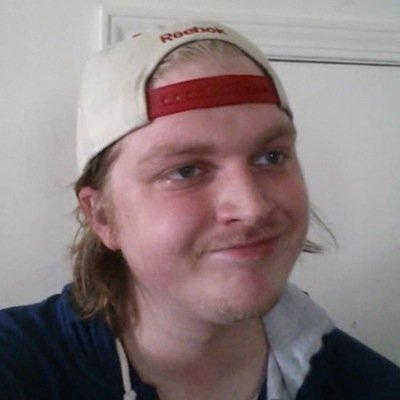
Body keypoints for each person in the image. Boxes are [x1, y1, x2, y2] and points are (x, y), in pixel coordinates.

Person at [0, 20, 399, 400]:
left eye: (271, 156)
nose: (252, 208)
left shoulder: (371, 386)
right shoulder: (18, 370)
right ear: (103, 216)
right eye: (185, 171)